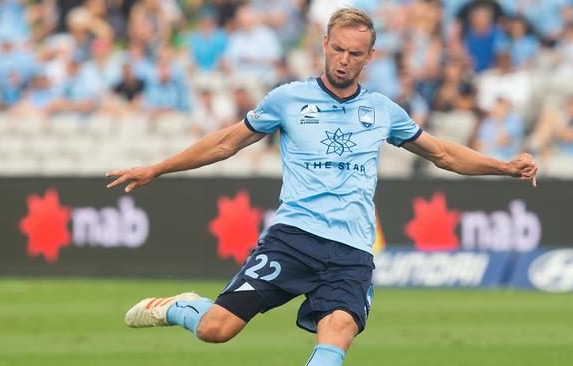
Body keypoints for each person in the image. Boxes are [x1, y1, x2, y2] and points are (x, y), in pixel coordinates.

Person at [106, 8, 537, 366]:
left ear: (370, 57)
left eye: (354, 53)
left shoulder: (382, 110)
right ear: (324, 46)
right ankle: (180, 306)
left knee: (337, 334)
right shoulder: (287, 99)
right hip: (293, 239)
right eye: (337, 49)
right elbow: (224, 143)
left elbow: (442, 153)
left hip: (351, 253)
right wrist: (157, 168)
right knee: (217, 330)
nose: (343, 60)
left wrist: (502, 165)